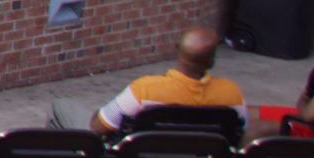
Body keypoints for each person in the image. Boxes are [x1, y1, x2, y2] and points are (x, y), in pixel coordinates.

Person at [48, 27, 247, 135]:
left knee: (61, 106)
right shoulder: (231, 93)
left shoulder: (145, 90)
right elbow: (242, 131)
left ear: (177, 50)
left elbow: (99, 127)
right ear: (211, 61)